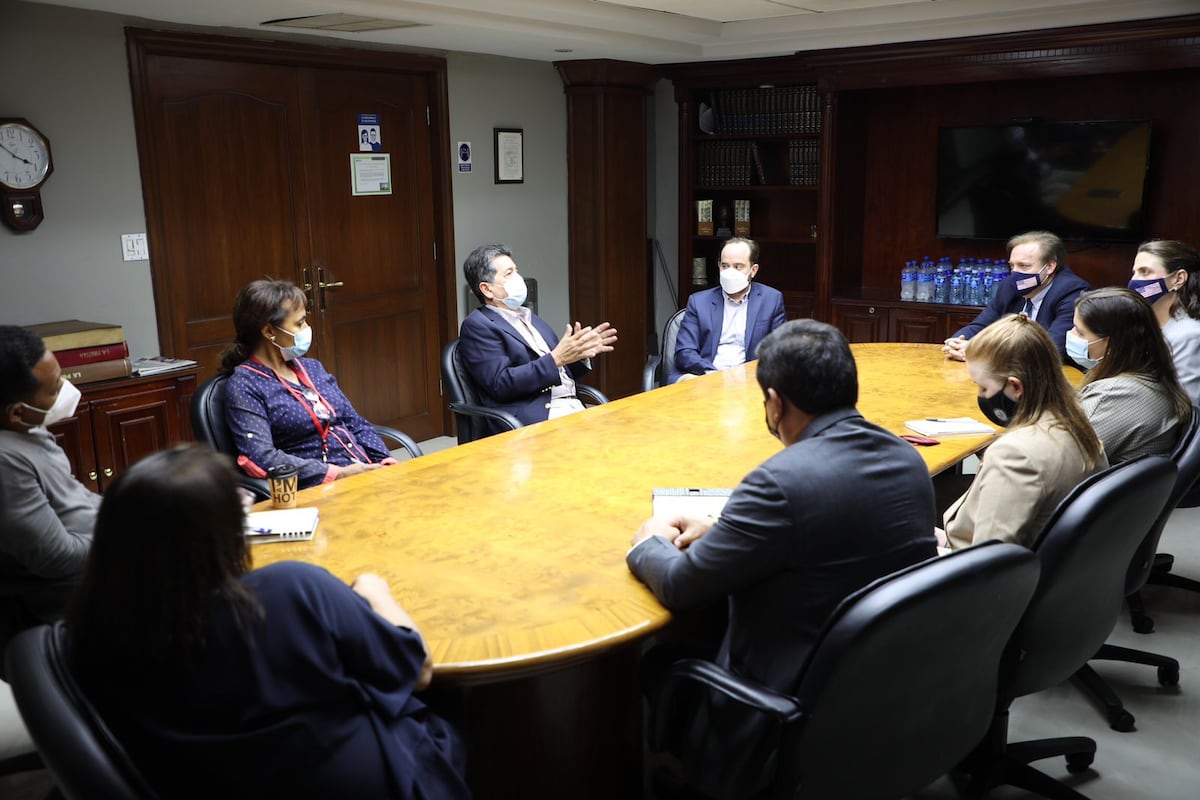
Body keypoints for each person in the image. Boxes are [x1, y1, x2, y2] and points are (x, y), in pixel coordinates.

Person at [627, 320, 936, 796]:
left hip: (787, 696)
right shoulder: (907, 458)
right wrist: (728, 529)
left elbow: (682, 586)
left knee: (657, 660)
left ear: (774, 402)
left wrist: (648, 541)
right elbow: (835, 528)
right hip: (877, 685)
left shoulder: (777, 481)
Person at [67, 446, 469, 799]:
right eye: (237, 506)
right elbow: (418, 669)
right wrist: (374, 588)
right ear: (222, 536)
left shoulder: (87, 632)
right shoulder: (289, 590)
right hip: (377, 782)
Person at [941, 314, 1107, 551]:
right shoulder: (1078, 425)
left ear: (1016, 386)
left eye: (984, 387)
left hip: (979, 576)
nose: (981, 395)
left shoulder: (1014, 453)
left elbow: (988, 561)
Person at [222, 280, 398, 490]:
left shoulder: (312, 368)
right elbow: (261, 456)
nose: (307, 329)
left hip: (364, 475)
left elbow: (355, 423)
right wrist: (337, 474)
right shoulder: (245, 385)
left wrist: (386, 462)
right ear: (269, 331)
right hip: (316, 489)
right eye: (299, 323)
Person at [0, 325, 98, 667]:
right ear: (16, 411)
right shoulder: (5, 461)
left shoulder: (30, 428)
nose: (68, 391)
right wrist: (122, 532)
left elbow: (77, 501)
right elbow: (54, 558)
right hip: (70, 595)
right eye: (55, 389)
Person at [458, 244, 617, 435]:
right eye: (509, 273)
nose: (518, 278)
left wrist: (580, 354)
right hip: (533, 418)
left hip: (571, 407)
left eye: (516, 271)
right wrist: (557, 358)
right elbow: (500, 384)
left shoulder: (531, 318)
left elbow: (559, 370)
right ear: (487, 289)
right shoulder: (478, 326)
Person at [1070, 288, 1190, 463]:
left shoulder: (1112, 396)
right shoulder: (1151, 373)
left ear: (1112, 345)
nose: (1071, 335)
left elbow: (1059, 463)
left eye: (1080, 332)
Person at [942, 230, 1090, 363]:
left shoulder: (1072, 292)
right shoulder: (1009, 286)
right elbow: (980, 326)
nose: (1015, 274)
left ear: (1050, 267)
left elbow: (1052, 349)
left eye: (1024, 266)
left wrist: (981, 351)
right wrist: (957, 342)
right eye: (1012, 266)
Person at [671, 237, 786, 384]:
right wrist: (713, 374)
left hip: (750, 380)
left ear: (753, 270)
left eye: (738, 266)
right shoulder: (698, 301)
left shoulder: (771, 299)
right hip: (706, 376)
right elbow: (684, 352)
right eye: (725, 266)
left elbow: (779, 352)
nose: (730, 272)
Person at [1128, 239, 1200, 403]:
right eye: (1135, 272)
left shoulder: (1190, 335)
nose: (1134, 281)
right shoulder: (1143, 324)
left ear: (1178, 279)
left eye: (1145, 272)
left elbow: (1187, 406)